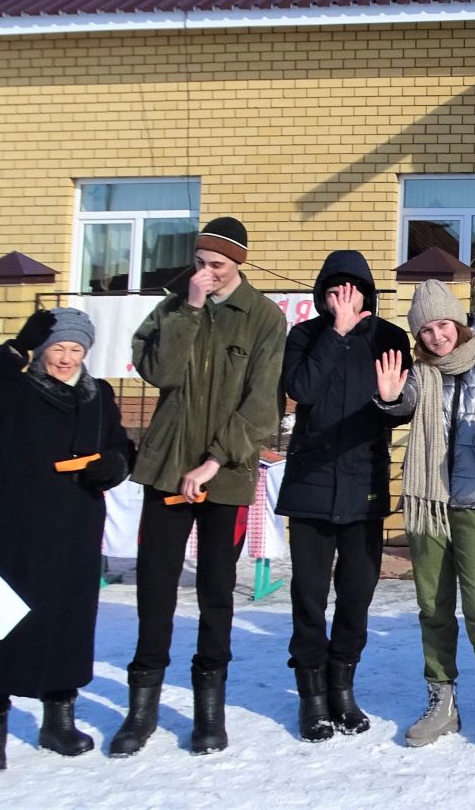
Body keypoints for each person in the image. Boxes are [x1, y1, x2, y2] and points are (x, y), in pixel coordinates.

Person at [114, 217, 286, 758]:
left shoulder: (263, 318)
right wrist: (187, 308)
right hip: (166, 466)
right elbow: (160, 372)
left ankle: (208, 710)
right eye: (202, 262)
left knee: (215, 594)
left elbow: (263, 403)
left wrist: (215, 460)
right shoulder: (174, 304)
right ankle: (140, 709)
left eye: (219, 265)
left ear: (241, 265)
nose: (207, 273)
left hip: (227, 475)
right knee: (155, 588)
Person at [0, 308, 133, 775]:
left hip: (76, 522)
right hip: (17, 524)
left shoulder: (99, 394)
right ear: (43, 351)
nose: (67, 358)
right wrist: (16, 347)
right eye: (58, 348)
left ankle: (58, 719)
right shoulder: (14, 390)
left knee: (66, 618)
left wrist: (115, 463)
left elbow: (120, 442)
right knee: (1, 617)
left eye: (76, 349)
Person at [276, 251, 411, 741]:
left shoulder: (390, 339)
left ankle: (342, 689)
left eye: (353, 290)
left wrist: (394, 400)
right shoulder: (306, 336)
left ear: (368, 294)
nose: (344, 298)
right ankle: (312, 698)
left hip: (364, 486)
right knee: (309, 597)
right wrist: (336, 330)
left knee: (356, 595)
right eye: (335, 290)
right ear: (323, 295)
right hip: (311, 485)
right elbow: (301, 388)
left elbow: (401, 412)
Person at [381, 279, 475, 754]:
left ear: (458, 322)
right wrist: (388, 397)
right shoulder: (422, 373)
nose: (436, 337)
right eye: (426, 330)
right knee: (433, 608)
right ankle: (442, 702)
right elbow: (403, 403)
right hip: (429, 504)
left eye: (442, 325)